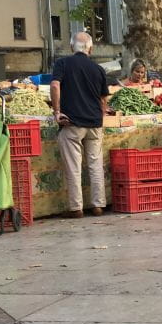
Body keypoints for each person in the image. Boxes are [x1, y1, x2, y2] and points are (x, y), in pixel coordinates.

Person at [51, 32, 109, 218]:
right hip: (94, 123)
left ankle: (76, 208)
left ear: (71, 47)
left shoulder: (63, 64)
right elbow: (103, 100)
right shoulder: (98, 69)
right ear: (90, 49)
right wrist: (100, 117)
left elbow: (54, 85)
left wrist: (56, 111)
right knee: (95, 165)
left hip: (72, 123)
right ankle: (98, 205)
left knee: (73, 167)